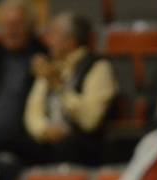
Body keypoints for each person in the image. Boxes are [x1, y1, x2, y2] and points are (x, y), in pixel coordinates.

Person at [22, 12, 118, 166]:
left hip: (82, 145)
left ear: (71, 41)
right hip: (47, 141)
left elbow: (90, 121)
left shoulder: (98, 67)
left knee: (66, 147)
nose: (48, 40)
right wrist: (43, 130)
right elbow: (33, 110)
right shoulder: (50, 66)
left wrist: (60, 88)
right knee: (10, 142)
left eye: (53, 34)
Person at [0, 0, 48, 164]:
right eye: (7, 25)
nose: (11, 30)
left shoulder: (44, 59)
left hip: (22, 143)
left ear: (30, 27)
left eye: (17, 24)